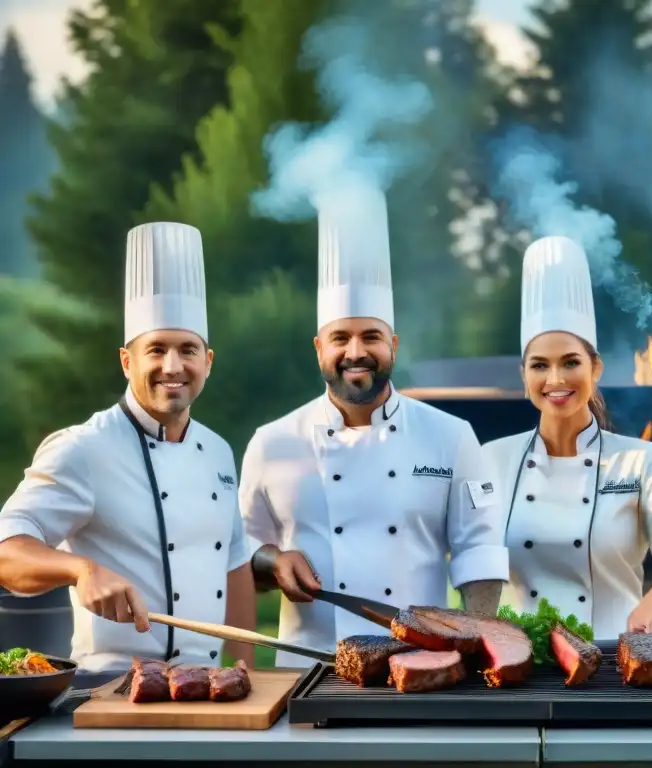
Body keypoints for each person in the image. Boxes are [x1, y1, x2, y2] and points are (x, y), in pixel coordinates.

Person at [238, 184, 510, 668]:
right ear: (319, 348)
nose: (356, 352)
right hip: (309, 666)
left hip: (422, 663)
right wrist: (273, 561)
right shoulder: (271, 442)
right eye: (340, 337)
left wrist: (477, 646)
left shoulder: (452, 436)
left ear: (394, 345)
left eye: (372, 337)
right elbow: (240, 555)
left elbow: (480, 551)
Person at [0, 222, 256, 672]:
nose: (172, 366)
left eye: (187, 350)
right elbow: (6, 551)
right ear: (126, 361)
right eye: (155, 349)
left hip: (210, 690)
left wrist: (245, 670)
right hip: (112, 688)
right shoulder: (83, 448)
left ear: (208, 362)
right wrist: (80, 569)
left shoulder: (218, 451)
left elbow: (233, 564)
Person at [482, 235, 652, 641]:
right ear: (524, 377)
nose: (555, 379)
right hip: (522, 661)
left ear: (596, 369)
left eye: (571, 362)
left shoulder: (643, 460)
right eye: (540, 365)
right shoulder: (491, 459)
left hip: (616, 655)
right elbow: (456, 547)